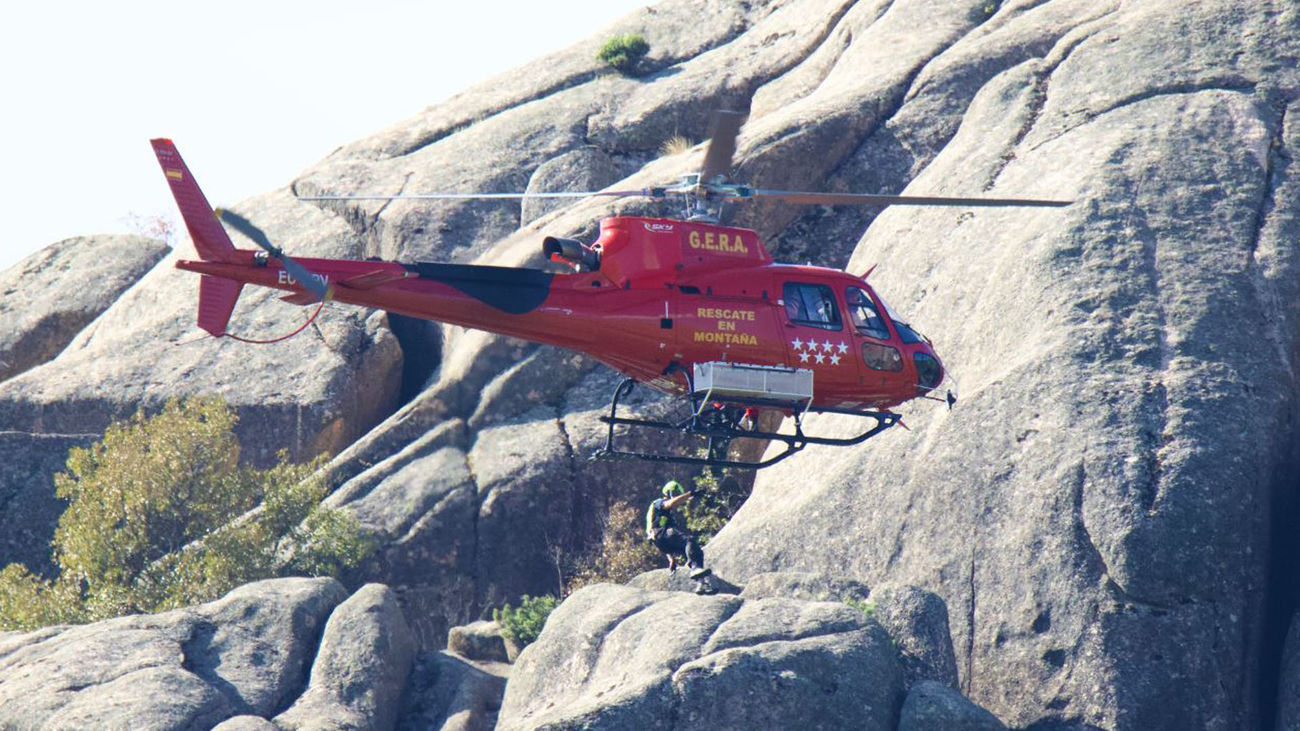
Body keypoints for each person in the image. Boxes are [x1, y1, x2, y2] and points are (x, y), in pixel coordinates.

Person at [646, 480, 714, 593]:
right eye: (676, 493)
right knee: (689, 541)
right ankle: (695, 569)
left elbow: (664, 541)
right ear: (669, 492)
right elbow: (671, 503)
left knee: (696, 550)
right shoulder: (658, 503)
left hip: (660, 542)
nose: (677, 497)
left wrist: (671, 559)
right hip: (661, 533)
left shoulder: (667, 516)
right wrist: (690, 494)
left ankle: (702, 583)